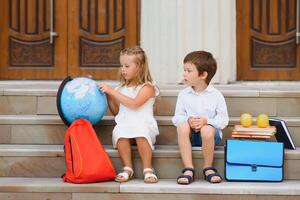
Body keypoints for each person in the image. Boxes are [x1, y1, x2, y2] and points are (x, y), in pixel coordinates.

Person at [99, 46, 159, 184]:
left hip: (144, 126)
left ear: (139, 66)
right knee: (120, 131)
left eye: (127, 66)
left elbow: (134, 104)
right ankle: (127, 168)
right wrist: (109, 97)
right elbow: (117, 113)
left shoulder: (147, 87)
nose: (123, 69)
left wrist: (113, 92)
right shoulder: (120, 89)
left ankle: (148, 168)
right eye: (121, 66)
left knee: (140, 131)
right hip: (126, 125)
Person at [172, 50, 229, 184]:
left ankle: (208, 167)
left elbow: (223, 121)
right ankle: (188, 168)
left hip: (210, 137)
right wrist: (188, 120)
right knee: (181, 126)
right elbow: (176, 117)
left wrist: (206, 121)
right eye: (184, 70)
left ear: (203, 74)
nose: (184, 74)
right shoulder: (183, 94)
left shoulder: (216, 95)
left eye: (188, 71)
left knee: (207, 129)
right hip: (190, 136)